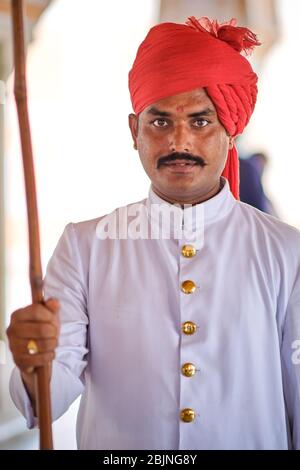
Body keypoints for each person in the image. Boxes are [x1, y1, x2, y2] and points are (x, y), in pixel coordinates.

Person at [6, 16, 300, 450]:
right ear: (134, 131)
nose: (179, 141)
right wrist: (33, 362)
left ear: (232, 132)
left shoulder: (285, 252)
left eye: (200, 122)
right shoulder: (85, 247)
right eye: (160, 122)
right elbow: (49, 396)